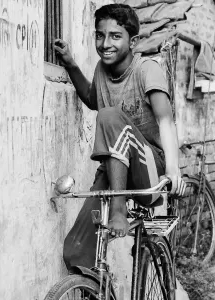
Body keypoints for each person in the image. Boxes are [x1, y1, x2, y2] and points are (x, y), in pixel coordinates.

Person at [54, 4, 186, 270]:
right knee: (76, 252)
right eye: (100, 35)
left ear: (133, 41)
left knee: (110, 116)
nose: (105, 44)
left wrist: (173, 171)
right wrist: (70, 65)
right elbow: (93, 100)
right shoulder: (101, 71)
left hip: (150, 174)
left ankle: (118, 210)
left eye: (115, 36)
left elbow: (165, 121)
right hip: (116, 173)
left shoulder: (147, 69)